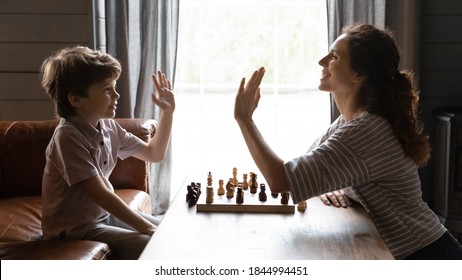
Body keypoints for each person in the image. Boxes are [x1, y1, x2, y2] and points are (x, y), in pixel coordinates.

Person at [234, 23, 462, 260]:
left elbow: (281, 180)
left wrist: (245, 120)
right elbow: (309, 172)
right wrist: (333, 184)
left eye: (334, 56)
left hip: (429, 255)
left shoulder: (367, 130)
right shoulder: (349, 122)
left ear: (358, 75)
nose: (322, 61)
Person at [40, 46, 175, 259]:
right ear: (76, 99)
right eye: (107, 89)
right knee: (151, 244)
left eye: (115, 87)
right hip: (73, 229)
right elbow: (101, 194)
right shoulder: (67, 137)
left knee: (171, 232)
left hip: (103, 216)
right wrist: (148, 229)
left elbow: (154, 154)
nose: (117, 95)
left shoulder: (110, 128)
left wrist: (167, 112)